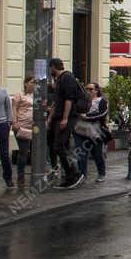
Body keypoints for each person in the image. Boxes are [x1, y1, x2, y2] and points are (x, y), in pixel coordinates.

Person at [49, 58, 86, 189]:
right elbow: (57, 101)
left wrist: (65, 118)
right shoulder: (59, 80)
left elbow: (68, 100)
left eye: (50, 68)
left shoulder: (67, 78)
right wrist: (51, 119)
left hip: (68, 118)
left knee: (59, 145)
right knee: (61, 146)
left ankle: (74, 174)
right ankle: (70, 175)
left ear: (53, 67)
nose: (50, 71)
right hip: (60, 117)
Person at [75, 83, 108, 182]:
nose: (88, 91)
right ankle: (82, 175)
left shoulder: (102, 101)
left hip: (95, 132)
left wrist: (88, 116)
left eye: (90, 89)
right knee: (81, 153)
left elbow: (103, 114)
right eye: (87, 89)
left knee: (97, 154)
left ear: (96, 90)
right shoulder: (82, 99)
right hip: (80, 130)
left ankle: (101, 173)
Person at [11, 76, 35, 185]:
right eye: (31, 82)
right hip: (22, 127)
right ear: (26, 83)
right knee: (23, 152)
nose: (33, 84)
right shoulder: (19, 95)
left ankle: (35, 174)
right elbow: (14, 108)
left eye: (35, 82)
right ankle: (20, 177)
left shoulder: (36, 95)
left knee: (36, 151)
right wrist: (14, 122)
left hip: (34, 127)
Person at [0, 72, 13, 189]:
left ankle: (8, 178)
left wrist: (9, 122)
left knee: (4, 154)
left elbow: (8, 107)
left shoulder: (3, 91)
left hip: (2, 125)